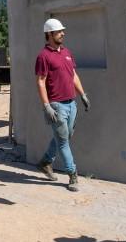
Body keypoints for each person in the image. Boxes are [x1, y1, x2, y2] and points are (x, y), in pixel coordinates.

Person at [34, 18, 92, 192]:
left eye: (62, 31)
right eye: (59, 31)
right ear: (50, 34)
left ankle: (45, 161)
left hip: (71, 103)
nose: (63, 33)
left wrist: (83, 94)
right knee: (63, 142)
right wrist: (46, 106)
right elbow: (40, 82)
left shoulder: (66, 52)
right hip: (57, 105)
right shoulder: (43, 57)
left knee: (65, 137)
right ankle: (72, 174)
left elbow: (73, 75)